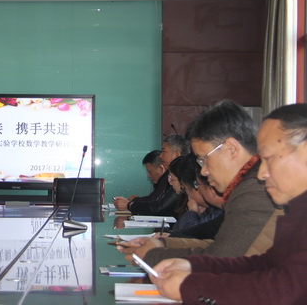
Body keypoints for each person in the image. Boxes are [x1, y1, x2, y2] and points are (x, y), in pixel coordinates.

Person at [152, 103, 307, 305]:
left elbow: (285, 289)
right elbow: (265, 264)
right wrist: (191, 266)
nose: (262, 174)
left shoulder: (256, 193)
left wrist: (191, 286)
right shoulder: (298, 210)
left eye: (268, 159)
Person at [119, 100, 278, 266]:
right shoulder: (245, 188)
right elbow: (211, 236)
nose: (204, 171)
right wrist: (163, 243)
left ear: (232, 148)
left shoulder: (256, 191)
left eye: (204, 159)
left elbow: (224, 258)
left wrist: (153, 255)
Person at [114, 149, 181, 217]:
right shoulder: (163, 181)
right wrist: (135, 201)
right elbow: (152, 199)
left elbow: (157, 207)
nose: (148, 176)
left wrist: (130, 204)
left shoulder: (169, 181)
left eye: (150, 172)